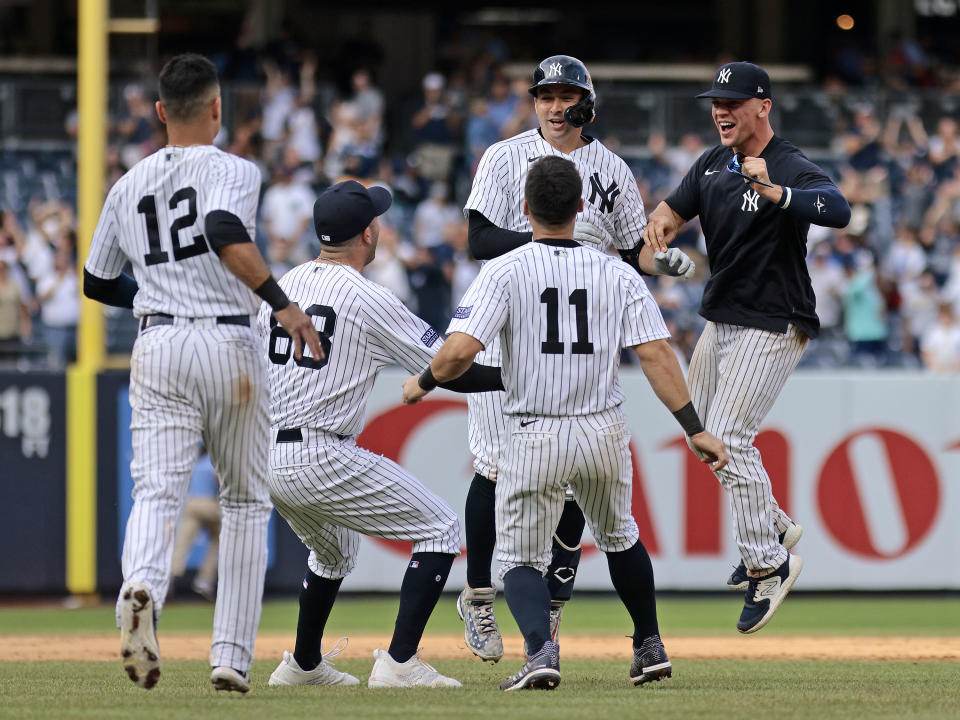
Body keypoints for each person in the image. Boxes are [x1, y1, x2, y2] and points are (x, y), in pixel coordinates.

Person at [402, 156, 728, 690]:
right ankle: (649, 643)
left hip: (537, 430)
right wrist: (693, 427)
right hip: (602, 429)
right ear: (580, 208)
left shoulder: (504, 270)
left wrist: (423, 382)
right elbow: (657, 357)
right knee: (621, 538)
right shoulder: (617, 271)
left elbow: (459, 351)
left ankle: (539, 651)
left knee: (517, 559)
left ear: (525, 210)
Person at [83, 53, 323, 693]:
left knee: (156, 491)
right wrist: (283, 302)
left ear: (161, 111)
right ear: (216, 108)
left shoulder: (125, 183)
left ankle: (140, 589)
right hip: (228, 341)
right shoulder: (234, 168)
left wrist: (151, 292)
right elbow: (220, 226)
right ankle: (230, 657)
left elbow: (95, 279)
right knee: (244, 501)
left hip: (158, 341)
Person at [457, 53, 697, 662]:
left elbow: (628, 248)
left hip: (577, 324)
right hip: (514, 315)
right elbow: (479, 238)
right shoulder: (505, 156)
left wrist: (659, 259)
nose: (556, 107)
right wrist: (551, 243)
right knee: (491, 465)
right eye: (545, 96)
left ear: (586, 102)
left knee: (573, 475)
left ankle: (551, 605)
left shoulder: (609, 167)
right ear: (534, 101)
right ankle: (481, 595)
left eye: (566, 96)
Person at [258, 180, 501, 689]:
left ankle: (301, 666)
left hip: (267, 456)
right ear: (369, 234)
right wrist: (519, 377)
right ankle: (399, 663)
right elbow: (447, 367)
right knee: (440, 527)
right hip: (318, 451)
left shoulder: (284, 285)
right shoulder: (368, 297)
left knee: (335, 551)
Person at [643, 61, 851, 633]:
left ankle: (769, 563)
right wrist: (661, 222)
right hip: (722, 318)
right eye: (716, 101)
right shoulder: (711, 163)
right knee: (701, 436)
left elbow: (839, 209)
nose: (720, 111)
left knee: (729, 438)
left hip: (775, 318)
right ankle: (775, 524)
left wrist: (778, 192)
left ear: (763, 106)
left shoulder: (786, 163)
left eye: (732, 102)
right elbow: (669, 211)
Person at [169, 446, 221, 602]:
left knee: (182, 544)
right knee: (222, 536)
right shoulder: (213, 462)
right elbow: (218, 480)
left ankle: (169, 578)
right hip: (210, 504)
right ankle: (204, 581)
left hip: (191, 504)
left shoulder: (195, 463)